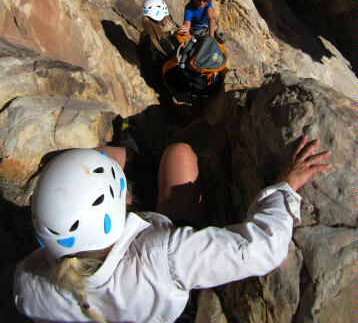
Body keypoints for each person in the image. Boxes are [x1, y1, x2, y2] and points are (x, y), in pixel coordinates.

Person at [13, 136, 331, 323]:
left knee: (122, 157)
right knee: (179, 154)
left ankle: (136, 154)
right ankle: (140, 152)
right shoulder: (167, 255)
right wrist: (285, 185)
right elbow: (265, 247)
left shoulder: (29, 285)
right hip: (169, 292)